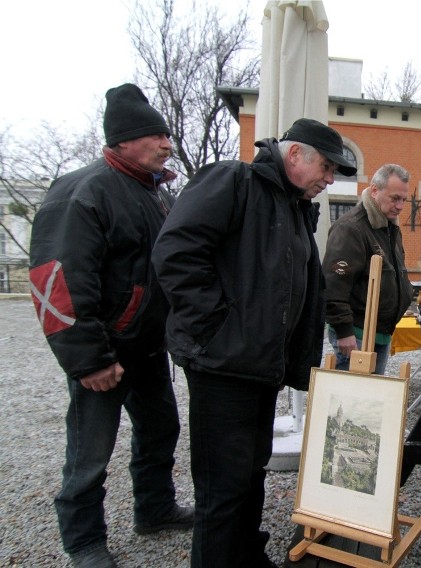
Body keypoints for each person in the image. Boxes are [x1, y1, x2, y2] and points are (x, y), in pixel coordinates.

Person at [152, 118, 355, 567]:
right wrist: (218, 328)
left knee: (249, 474)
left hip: (261, 367)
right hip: (222, 366)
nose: (329, 179)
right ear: (296, 154)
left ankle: (246, 556)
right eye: (326, 167)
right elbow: (176, 253)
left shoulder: (293, 204)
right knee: (222, 488)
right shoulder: (233, 180)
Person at [27, 83, 192, 568]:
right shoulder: (81, 192)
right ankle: (83, 541)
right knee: (90, 452)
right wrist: (89, 360)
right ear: (121, 141)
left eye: (165, 134)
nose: (166, 143)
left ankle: (154, 509)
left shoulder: (153, 192)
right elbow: (54, 287)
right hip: (104, 352)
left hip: (147, 347)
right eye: (154, 135)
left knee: (162, 429)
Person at [323, 163, 414, 374]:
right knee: (348, 401)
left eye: (403, 199)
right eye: (394, 198)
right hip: (355, 334)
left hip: (380, 331)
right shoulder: (351, 228)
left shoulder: (388, 226)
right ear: (374, 190)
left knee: (367, 399)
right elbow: (333, 286)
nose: (400, 206)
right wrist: (344, 331)